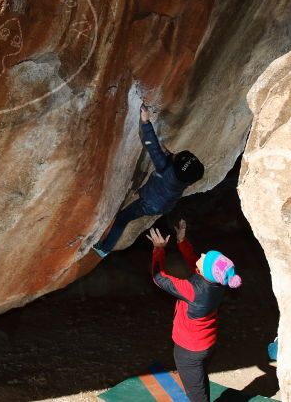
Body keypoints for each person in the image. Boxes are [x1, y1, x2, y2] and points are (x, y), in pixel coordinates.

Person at [147, 221, 242, 402]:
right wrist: (182, 241)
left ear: (204, 272)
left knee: (196, 395)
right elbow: (196, 263)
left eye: (206, 257)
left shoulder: (193, 291)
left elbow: (159, 277)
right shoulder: (217, 282)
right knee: (198, 382)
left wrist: (158, 249)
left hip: (189, 350)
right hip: (206, 343)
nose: (203, 254)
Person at [92, 104, 204, 257]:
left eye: (177, 155)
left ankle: (104, 249)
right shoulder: (186, 177)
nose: (175, 153)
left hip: (151, 203)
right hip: (164, 204)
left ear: (174, 165)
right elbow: (174, 162)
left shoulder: (165, 168)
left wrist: (145, 122)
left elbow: (153, 148)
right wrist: (171, 155)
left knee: (122, 218)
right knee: (138, 209)